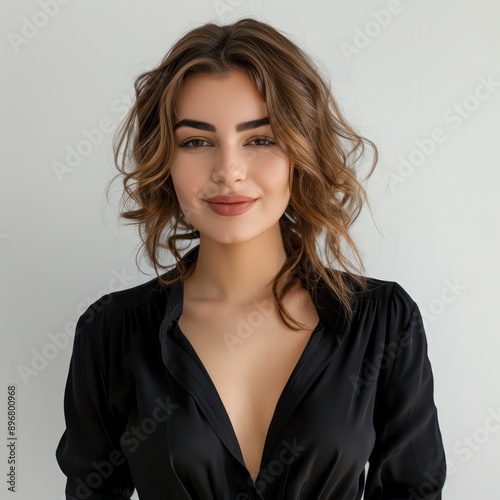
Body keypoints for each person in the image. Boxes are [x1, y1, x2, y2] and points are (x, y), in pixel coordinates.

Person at [56, 17, 447, 500]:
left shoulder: (384, 322)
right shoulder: (111, 333)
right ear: (165, 159)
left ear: (301, 152)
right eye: (196, 141)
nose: (229, 171)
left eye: (260, 139)